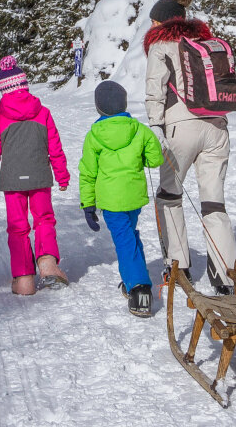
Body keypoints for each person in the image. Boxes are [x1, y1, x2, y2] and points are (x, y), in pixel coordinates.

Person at [145, 0, 236, 294]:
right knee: (214, 203)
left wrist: (156, 126)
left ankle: (178, 267)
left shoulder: (161, 46)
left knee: (169, 196)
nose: (151, 27)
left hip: (180, 128)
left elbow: (155, 91)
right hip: (217, 127)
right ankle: (225, 277)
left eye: (153, 21)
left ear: (162, 22)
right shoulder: (206, 43)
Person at [0, 54, 70, 295]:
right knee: (44, 219)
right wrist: (62, 176)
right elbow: (55, 147)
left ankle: (23, 280)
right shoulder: (43, 113)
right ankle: (48, 265)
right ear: (25, 85)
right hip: (40, 177)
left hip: (12, 182)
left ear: (4, 90)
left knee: (17, 227)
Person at [78, 79, 164, 317]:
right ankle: (132, 279)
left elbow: (88, 173)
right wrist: (140, 157)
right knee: (130, 235)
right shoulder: (139, 130)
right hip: (134, 198)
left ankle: (139, 288)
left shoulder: (94, 136)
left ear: (99, 107)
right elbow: (155, 159)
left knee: (125, 240)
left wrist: (88, 204)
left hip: (111, 202)